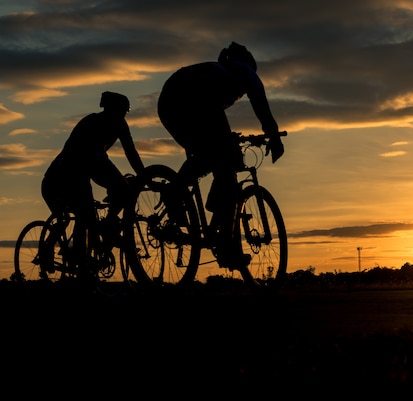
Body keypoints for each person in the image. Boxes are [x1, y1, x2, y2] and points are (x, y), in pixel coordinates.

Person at [157, 41, 284, 269]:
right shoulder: (245, 70)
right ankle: (225, 246)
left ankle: (183, 193)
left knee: (211, 155)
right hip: (194, 99)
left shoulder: (219, 71)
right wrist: (273, 136)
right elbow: (260, 104)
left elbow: (212, 121)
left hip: (172, 100)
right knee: (224, 161)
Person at [41, 91, 145, 269]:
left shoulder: (117, 124)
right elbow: (97, 161)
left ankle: (82, 248)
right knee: (81, 215)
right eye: (121, 111)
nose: (122, 116)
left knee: (81, 214)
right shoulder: (94, 124)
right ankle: (68, 256)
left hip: (72, 173)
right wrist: (140, 178)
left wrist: (142, 176)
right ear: (110, 109)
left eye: (125, 113)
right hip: (62, 177)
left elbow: (130, 152)